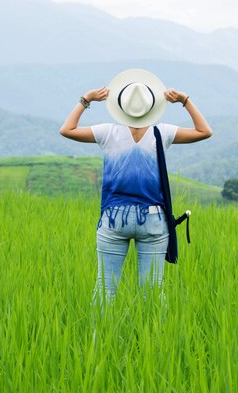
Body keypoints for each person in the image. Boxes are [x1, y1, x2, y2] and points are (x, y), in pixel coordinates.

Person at [59, 69, 212, 302]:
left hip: (114, 218)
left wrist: (86, 99)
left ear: (121, 106)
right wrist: (185, 101)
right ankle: (155, 338)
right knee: (152, 293)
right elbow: (204, 131)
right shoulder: (163, 133)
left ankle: (99, 337)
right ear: (151, 107)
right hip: (153, 219)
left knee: (105, 290)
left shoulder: (107, 132)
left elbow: (66, 130)